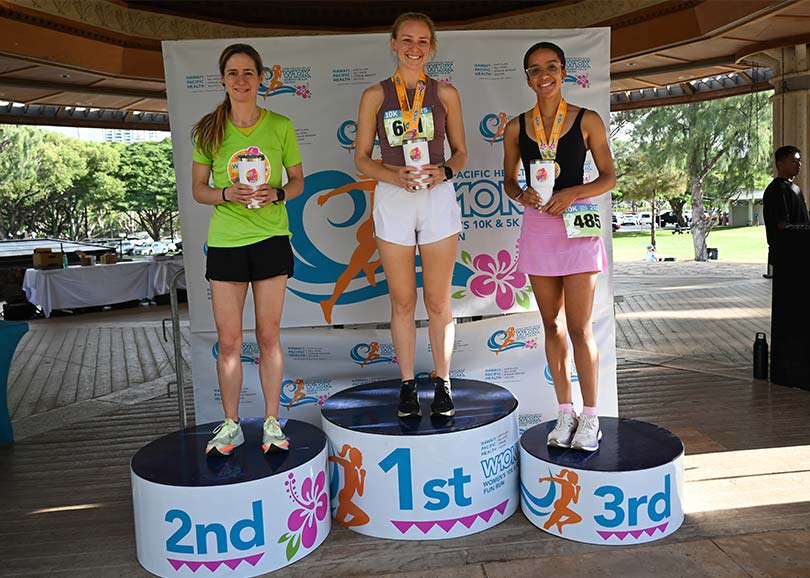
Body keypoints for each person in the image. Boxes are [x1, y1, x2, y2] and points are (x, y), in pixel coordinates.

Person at [191, 43, 305, 456]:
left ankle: (272, 422)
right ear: (223, 79)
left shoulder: (280, 126)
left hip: (271, 238)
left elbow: (297, 181)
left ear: (261, 79)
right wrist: (226, 193)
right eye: (233, 73)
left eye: (248, 73)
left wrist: (277, 193)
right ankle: (231, 424)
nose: (241, 80)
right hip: (226, 244)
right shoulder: (209, 130)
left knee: (269, 336)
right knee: (229, 342)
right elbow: (198, 190)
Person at [502, 41, 616, 451]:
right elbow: (509, 180)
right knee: (551, 324)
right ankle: (564, 412)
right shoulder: (516, 127)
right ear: (528, 79)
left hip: (577, 221)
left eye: (551, 67)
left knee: (580, 327)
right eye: (535, 70)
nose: (544, 75)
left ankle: (591, 416)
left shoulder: (587, 120)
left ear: (564, 72)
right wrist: (522, 194)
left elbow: (609, 176)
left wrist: (573, 193)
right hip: (539, 225)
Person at [354, 12, 467, 418]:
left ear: (431, 47)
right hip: (393, 197)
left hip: (437, 198)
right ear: (393, 43)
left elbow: (461, 153)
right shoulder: (375, 95)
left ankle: (443, 381)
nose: (414, 48)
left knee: (438, 301)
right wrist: (392, 176)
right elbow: (361, 158)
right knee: (402, 301)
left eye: (422, 41)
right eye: (406, 40)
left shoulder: (446, 93)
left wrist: (444, 171)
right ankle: (406, 384)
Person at [763, 145, 806, 279]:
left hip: (801, 253)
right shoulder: (777, 190)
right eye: (793, 161)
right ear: (780, 164)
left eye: (799, 161)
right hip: (786, 255)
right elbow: (782, 226)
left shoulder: (796, 189)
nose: (799, 164)